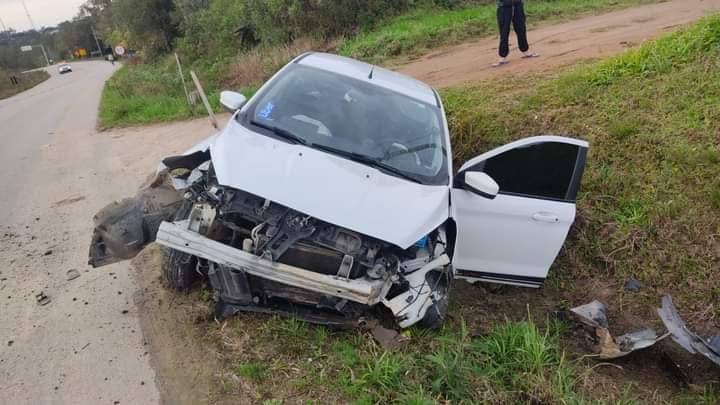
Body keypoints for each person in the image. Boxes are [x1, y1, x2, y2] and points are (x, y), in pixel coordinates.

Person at [493, 0, 539, 67]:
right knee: (504, 32)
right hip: (503, 7)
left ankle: (525, 50)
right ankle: (503, 56)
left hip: (518, 5)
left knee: (521, 29)